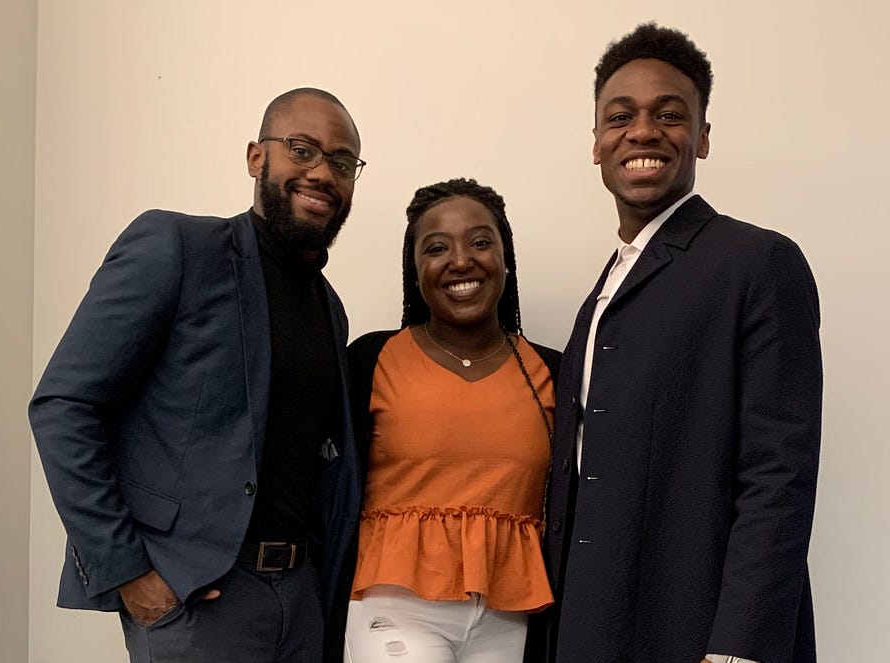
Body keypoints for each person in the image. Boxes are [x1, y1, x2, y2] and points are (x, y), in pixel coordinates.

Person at [29, 87, 365, 663]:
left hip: (301, 600)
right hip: (199, 602)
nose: (322, 173)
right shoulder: (177, 248)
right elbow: (64, 405)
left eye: (341, 161)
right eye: (302, 150)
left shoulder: (329, 308)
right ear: (257, 157)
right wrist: (128, 571)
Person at [544, 24, 822, 663]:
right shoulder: (605, 290)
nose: (642, 132)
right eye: (620, 117)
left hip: (698, 633)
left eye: (669, 115)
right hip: (594, 626)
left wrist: (738, 648)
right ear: (596, 144)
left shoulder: (758, 262)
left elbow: (778, 476)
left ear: (701, 137)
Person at [339, 178, 559, 663]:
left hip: (508, 616)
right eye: (436, 247)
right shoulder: (371, 361)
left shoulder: (552, 372)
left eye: (481, 242)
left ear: (506, 257)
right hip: (395, 608)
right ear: (414, 267)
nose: (461, 260)